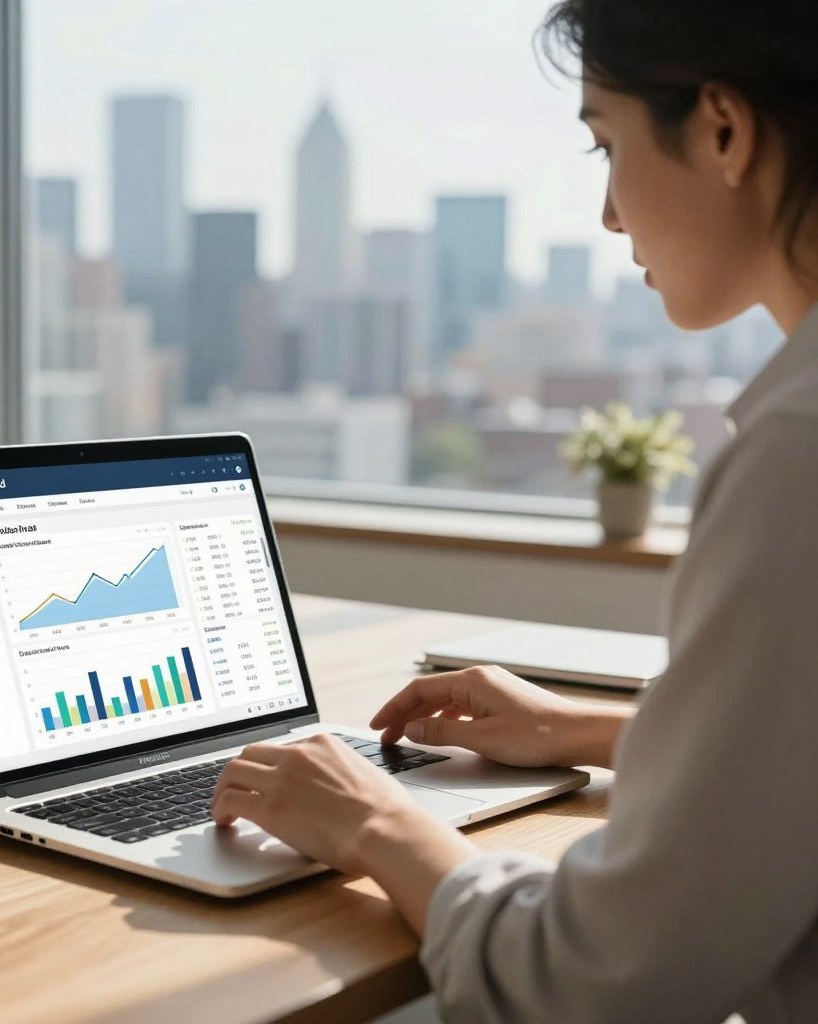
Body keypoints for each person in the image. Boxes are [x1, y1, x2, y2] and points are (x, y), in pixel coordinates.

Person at [211, 1, 818, 1020]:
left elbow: (593, 982)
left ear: (723, 129)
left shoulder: (795, 461)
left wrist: (375, 823)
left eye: (604, 144)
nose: (609, 215)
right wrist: (595, 727)